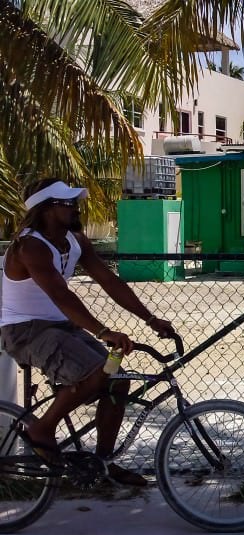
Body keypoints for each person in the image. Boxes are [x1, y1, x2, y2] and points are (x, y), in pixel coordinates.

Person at [0, 178, 174, 487]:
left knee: (118, 381)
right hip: (25, 330)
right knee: (94, 371)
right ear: (45, 209)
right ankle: (42, 429)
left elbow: (109, 281)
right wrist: (104, 331)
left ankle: (102, 464)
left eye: (73, 202)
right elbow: (60, 294)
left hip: (61, 327)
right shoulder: (31, 245)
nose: (74, 207)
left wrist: (150, 319)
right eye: (66, 203)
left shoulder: (76, 239)